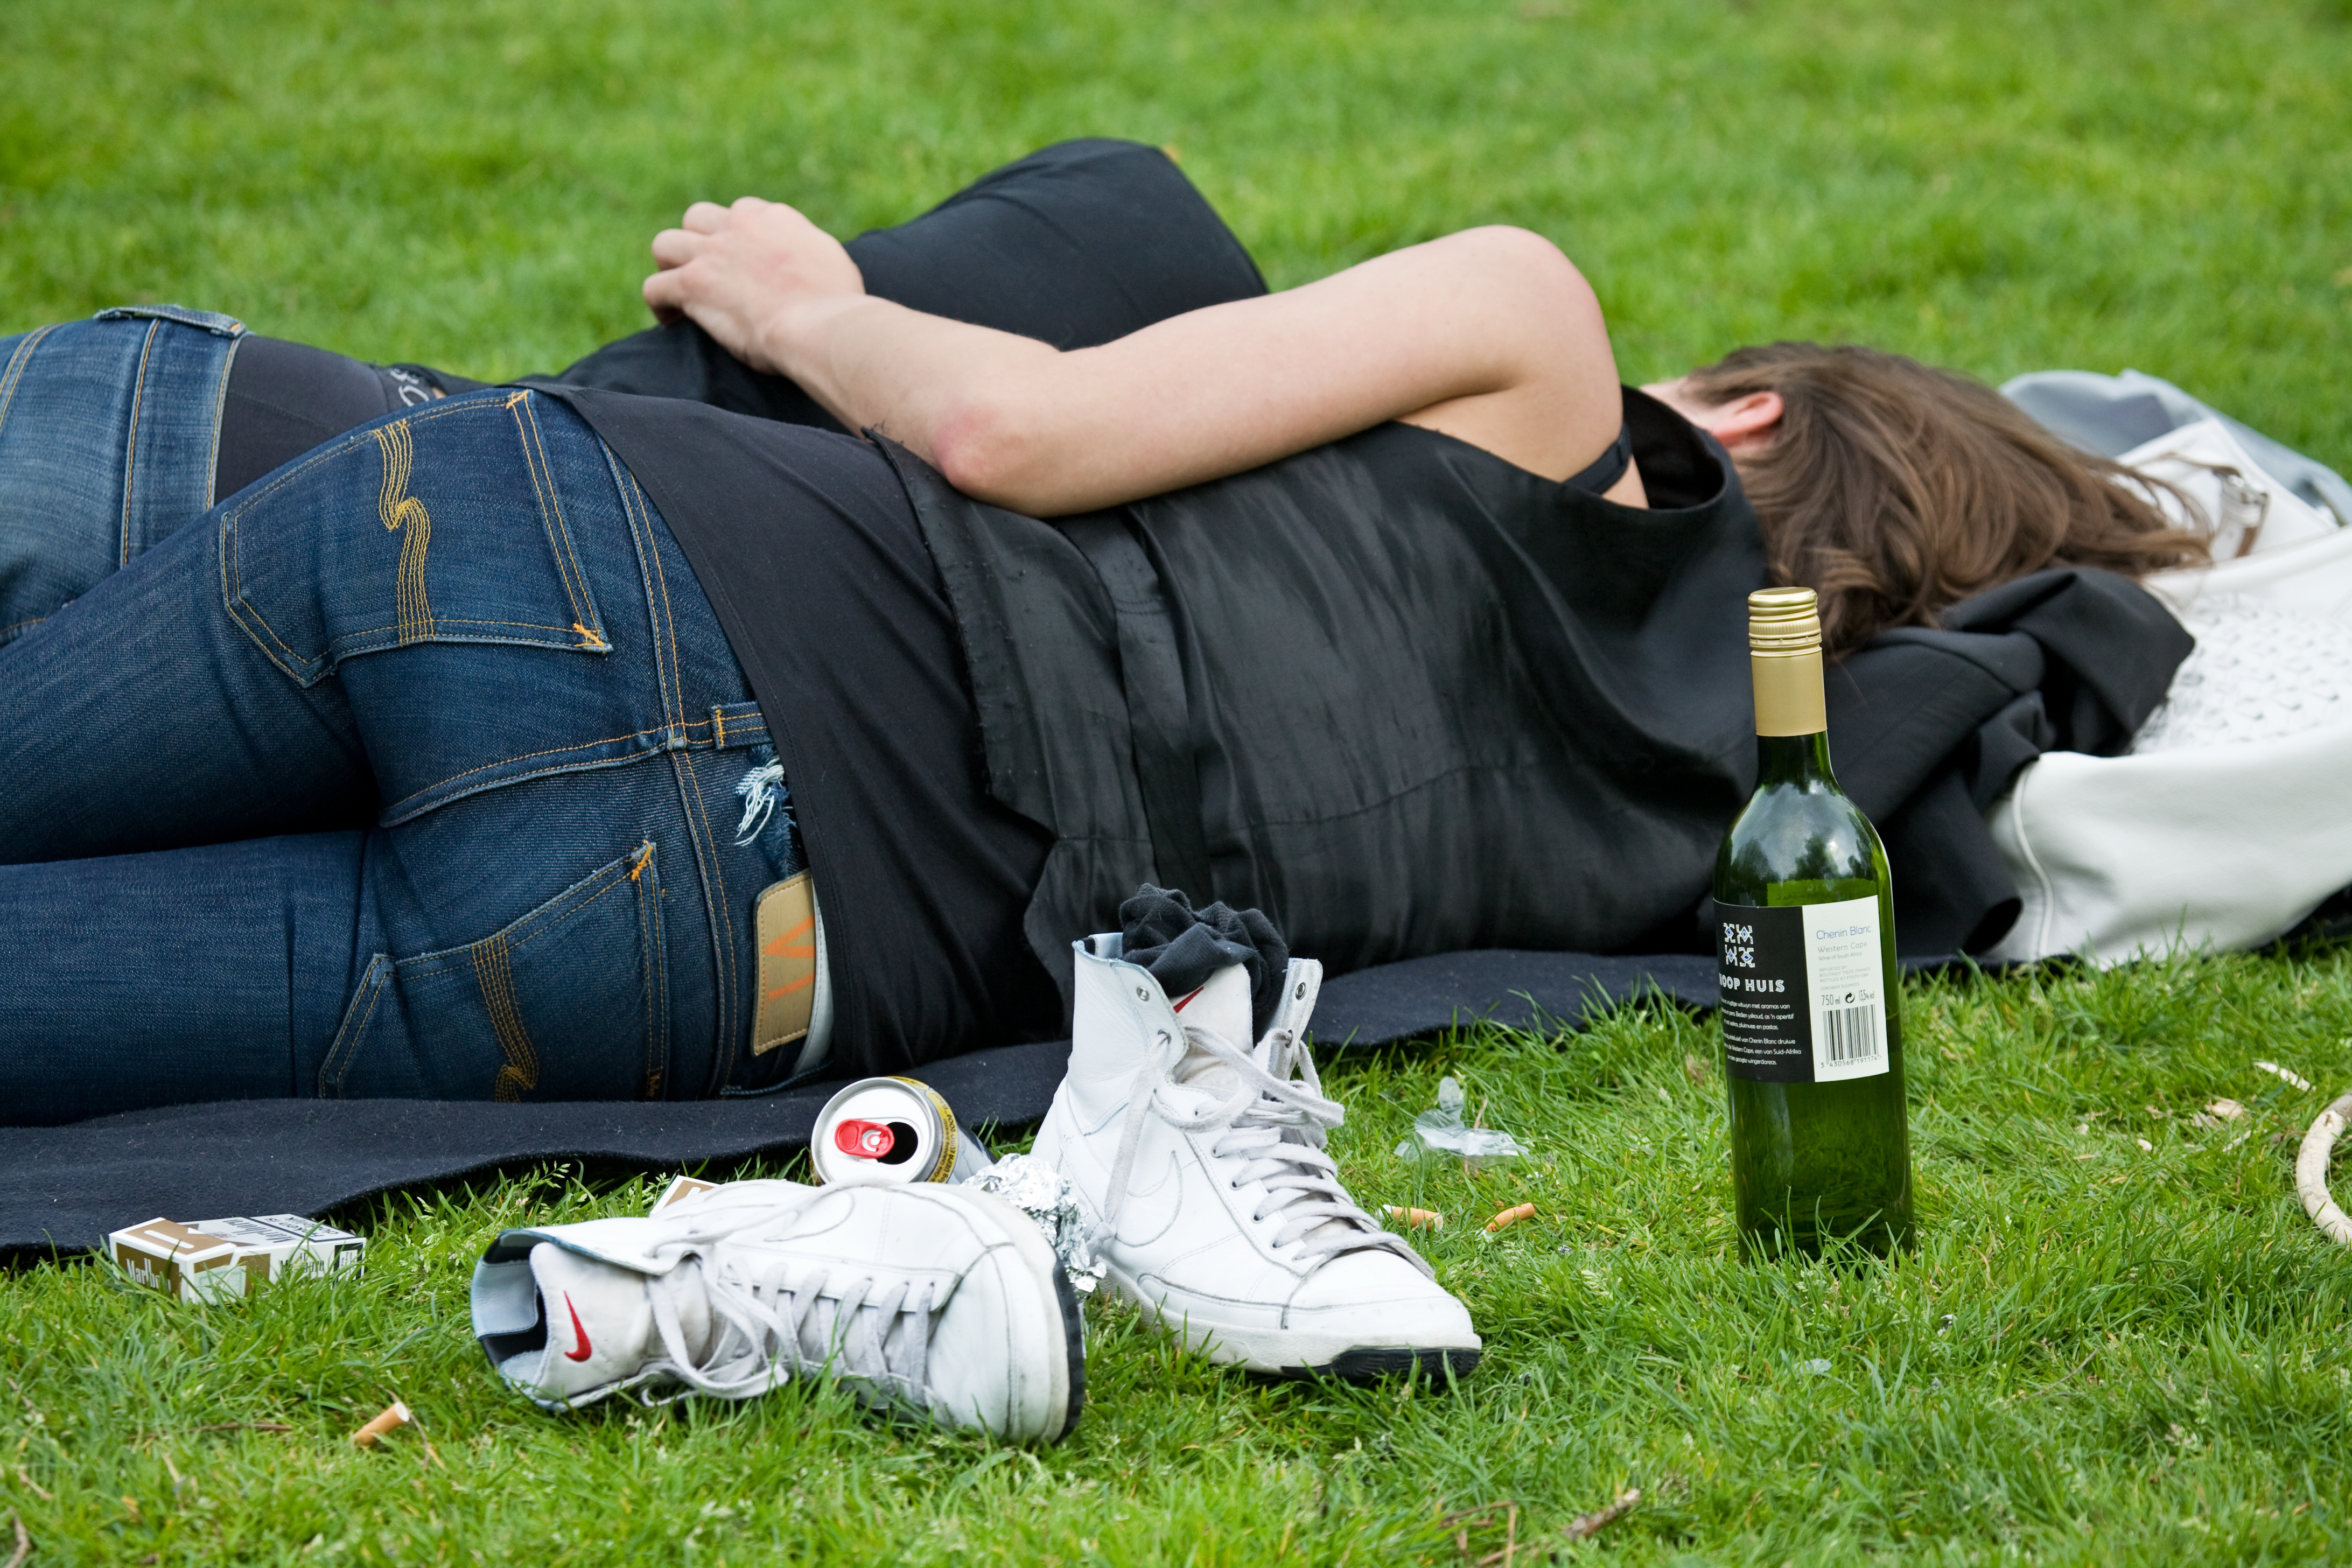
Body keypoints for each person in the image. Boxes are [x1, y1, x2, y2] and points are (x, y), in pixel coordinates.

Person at [0, 141, 2203, 1129]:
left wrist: (805, 303)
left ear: (1742, 418)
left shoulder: (1539, 334)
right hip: (720, 957)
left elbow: (1007, 427)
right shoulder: (1717, 840)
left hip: (597, 561)